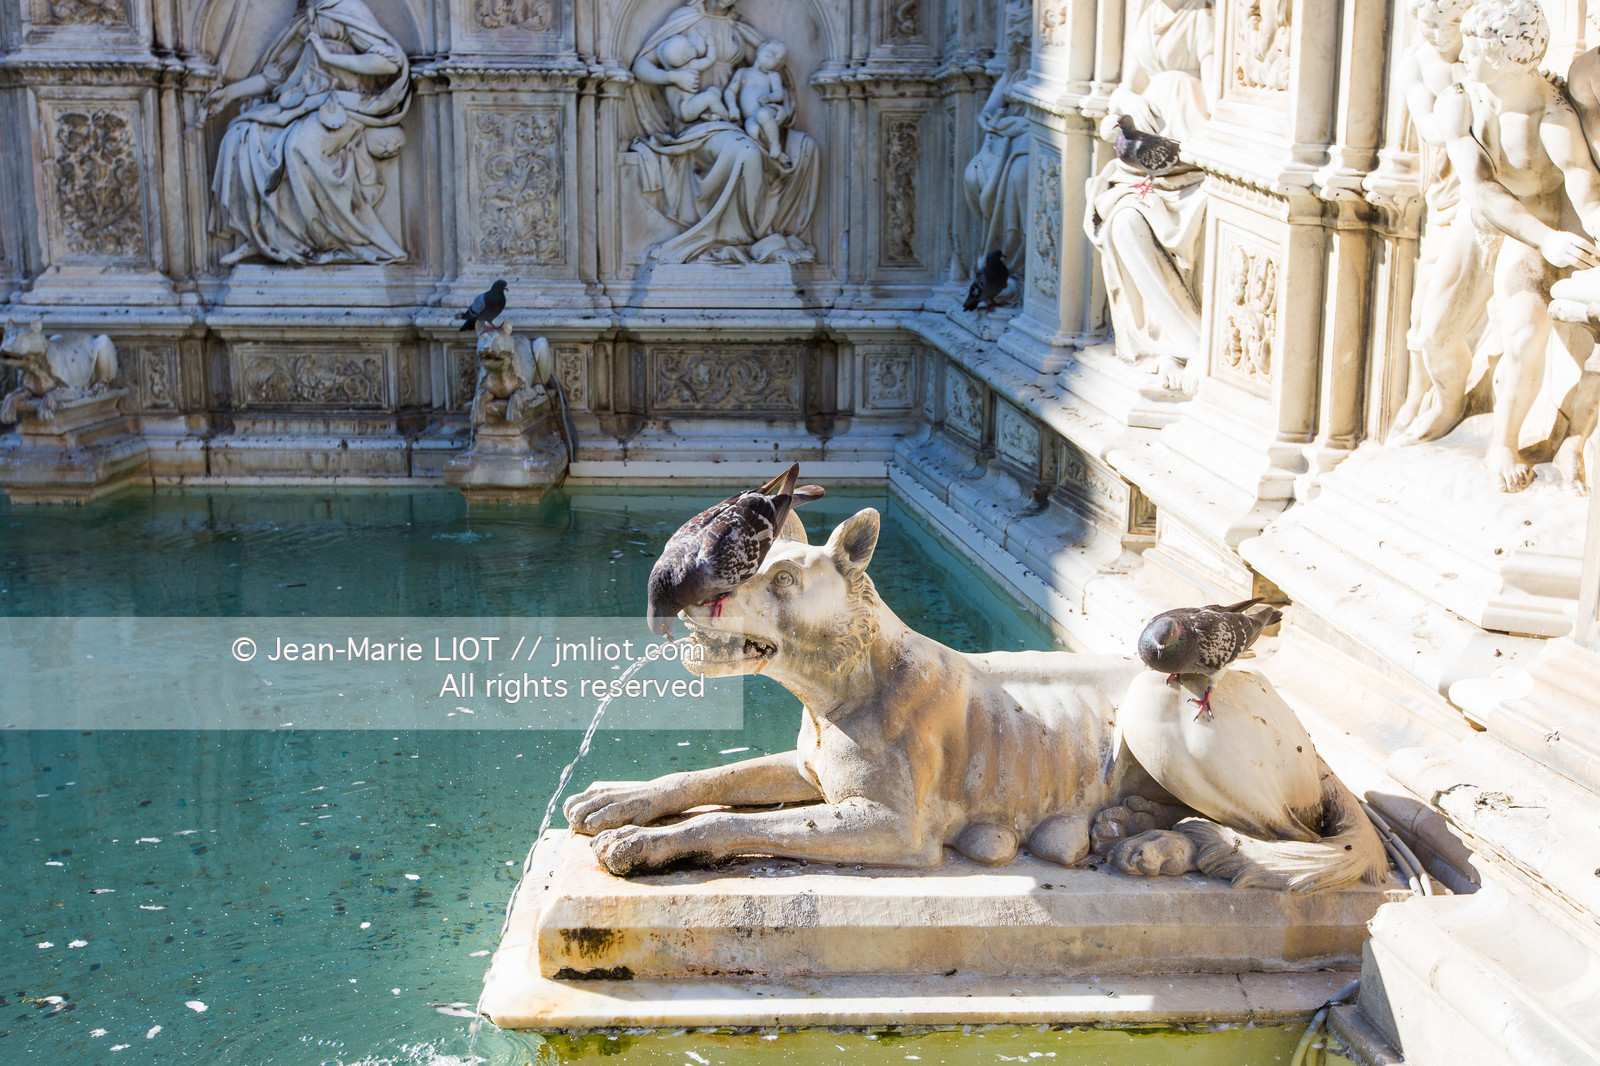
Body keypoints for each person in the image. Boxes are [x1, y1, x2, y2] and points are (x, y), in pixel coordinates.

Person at [1430, 0, 1600, 490]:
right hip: (1508, 229)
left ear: (1508, 57)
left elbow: (1582, 182)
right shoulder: (1459, 102)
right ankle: (1450, 410)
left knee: (1540, 337)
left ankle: (1513, 443)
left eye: (1477, 49)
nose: (1464, 56)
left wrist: (1585, 231)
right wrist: (1546, 241)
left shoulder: (1552, 110)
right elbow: (1481, 189)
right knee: (1434, 334)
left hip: (1555, 229)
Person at [200, 0, 410, 267]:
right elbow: (274, 76)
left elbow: (388, 62)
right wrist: (229, 94)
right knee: (239, 135)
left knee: (299, 146)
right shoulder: (304, 18)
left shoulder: (346, 8)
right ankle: (266, 238)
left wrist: (331, 57)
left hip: (344, 106)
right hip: (302, 104)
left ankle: (337, 239)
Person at [628, 0, 819, 265]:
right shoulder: (684, 19)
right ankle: (761, 238)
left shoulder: (738, 26)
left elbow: (771, 68)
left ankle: (756, 231)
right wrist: (672, 78)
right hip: (699, 123)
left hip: (737, 118)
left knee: (804, 146)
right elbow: (641, 66)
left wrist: (782, 109)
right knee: (747, 151)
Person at [1084, 0, 1214, 390]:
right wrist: (1131, 103)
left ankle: (1193, 346)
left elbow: (1220, 98)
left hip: (1187, 148)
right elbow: (1124, 89)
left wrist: (1194, 143)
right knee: (1121, 222)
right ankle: (1177, 341)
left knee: (1199, 215)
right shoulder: (1147, 14)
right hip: (1142, 156)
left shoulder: (1202, 19)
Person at [725, 41, 793, 167]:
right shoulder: (743, 72)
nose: (772, 55)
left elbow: (779, 94)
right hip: (750, 116)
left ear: (778, 65)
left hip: (767, 109)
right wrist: (732, 106)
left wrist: (769, 98)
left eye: (776, 57)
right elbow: (730, 91)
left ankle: (776, 146)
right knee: (752, 131)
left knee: (762, 114)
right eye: (771, 49)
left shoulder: (772, 75)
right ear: (759, 50)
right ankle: (769, 155)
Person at [657, 32, 729, 125]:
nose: (693, 45)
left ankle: (705, 114)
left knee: (713, 90)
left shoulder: (668, 69)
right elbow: (710, 60)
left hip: (685, 108)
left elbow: (660, 49)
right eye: (690, 46)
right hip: (686, 109)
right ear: (687, 57)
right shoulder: (690, 65)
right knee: (711, 97)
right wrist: (711, 45)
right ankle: (727, 119)